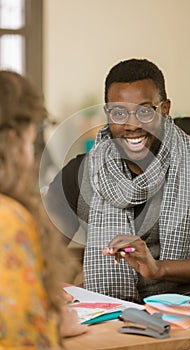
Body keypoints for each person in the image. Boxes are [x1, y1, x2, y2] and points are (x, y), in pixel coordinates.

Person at [45, 58, 190, 304]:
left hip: (189, 309)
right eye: (119, 113)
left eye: (145, 111)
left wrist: (157, 268)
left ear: (165, 109)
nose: (132, 125)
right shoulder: (80, 172)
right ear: (108, 114)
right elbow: (41, 249)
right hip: (107, 313)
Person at [0, 70, 87, 348]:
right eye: (35, 134)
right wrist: (55, 321)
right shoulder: (8, 219)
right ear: (15, 138)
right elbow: (22, 335)